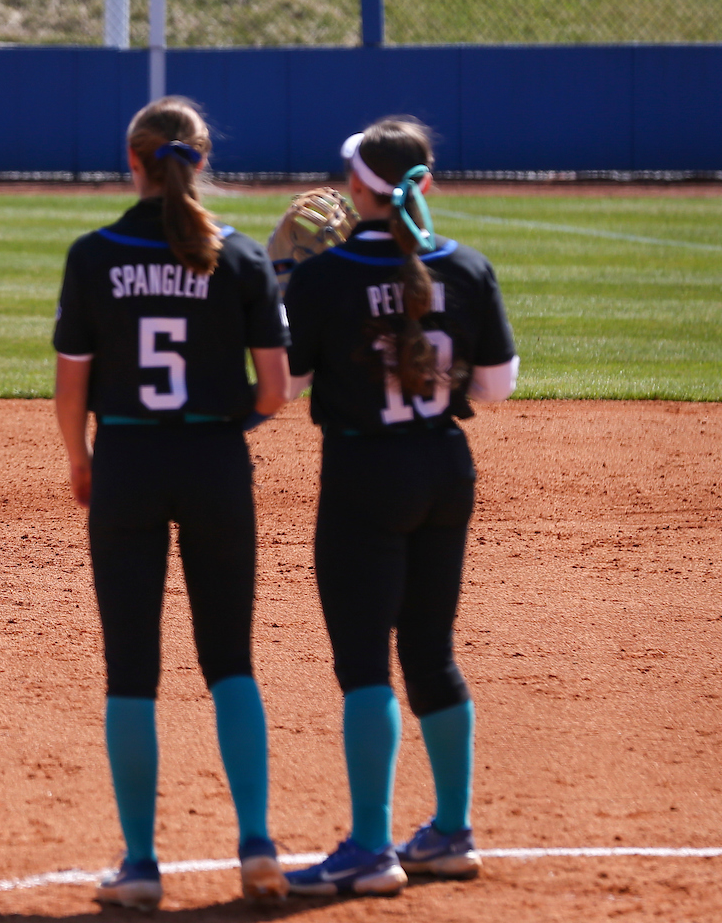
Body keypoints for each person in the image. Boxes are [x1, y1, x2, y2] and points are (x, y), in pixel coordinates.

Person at [52, 96, 292, 910]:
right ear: (200, 161)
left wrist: (82, 459)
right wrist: (222, 430)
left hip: (126, 459)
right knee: (231, 663)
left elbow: (71, 388)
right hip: (216, 462)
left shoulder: (95, 254)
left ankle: (142, 863)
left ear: (134, 163)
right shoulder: (241, 256)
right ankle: (257, 847)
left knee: (133, 671)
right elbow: (277, 392)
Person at [281, 116, 519, 897]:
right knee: (431, 653)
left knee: (364, 667)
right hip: (446, 472)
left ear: (359, 188)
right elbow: (494, 389)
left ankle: (371, 847)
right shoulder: (469, 267)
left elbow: (283, 385)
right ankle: (452, 831)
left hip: (364, 479)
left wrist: (288, 293)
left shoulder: (328, 275)